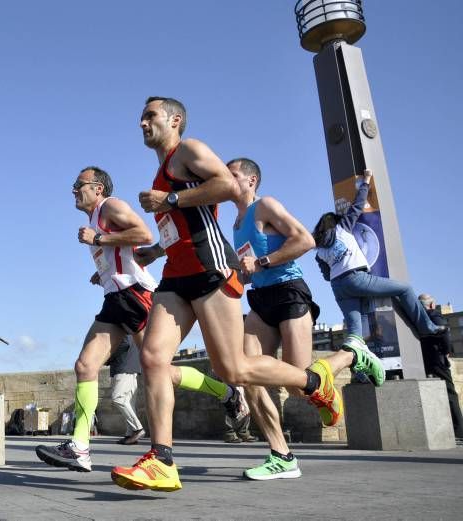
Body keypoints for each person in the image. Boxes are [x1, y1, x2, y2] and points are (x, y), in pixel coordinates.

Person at [111, 97, 343, 492]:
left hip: (210, 271)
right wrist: (156, 249)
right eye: (141, 117)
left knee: (233, 369)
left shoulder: (189, 149)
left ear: (174, 119)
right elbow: (184, 226)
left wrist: (169, 199)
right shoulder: (162, 169)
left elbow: (226, 185)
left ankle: (311, 382)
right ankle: (161, 460)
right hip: (175, 275)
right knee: (151, 357)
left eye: (150, 116)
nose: (142, 123)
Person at [36, 167, 247, 473]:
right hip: (115, 299)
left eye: (78, 185)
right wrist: (105, 271)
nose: (73, 191)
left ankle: (227, 394)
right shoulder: (94, 216)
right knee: (85, 366)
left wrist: (99, 237)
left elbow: (144, 234)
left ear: (98, 188)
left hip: (136, 296)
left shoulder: (111, 206)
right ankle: (79, 448)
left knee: (161, 371)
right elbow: (122, 250)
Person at [227, 157, 384, 480]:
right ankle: (282, 455)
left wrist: (265, 261)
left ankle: (353, 353)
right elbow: (248, 267)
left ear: (251, 180)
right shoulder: (236, 222)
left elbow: (305, 240)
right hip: (260, 300)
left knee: (298, 385)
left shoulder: (265, 206)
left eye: (232, 175)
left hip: (289, 293)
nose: (226, 181)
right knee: (246, 375)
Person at [313, 170, 445, 343]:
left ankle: (359, 371)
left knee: (355, 333)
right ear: (334, 222)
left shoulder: (319, 250)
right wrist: (366, 181)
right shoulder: (342, 227)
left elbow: (326, 276)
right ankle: (427, 327)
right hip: (356, 279)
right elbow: (357, 206)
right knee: (404, 289)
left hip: (338, 287)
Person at [418, 294, 462, 440]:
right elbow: (444, 333)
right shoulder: (434, 315)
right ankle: (459, 430)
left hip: (425, 360)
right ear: (431, 305)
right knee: (450, 394)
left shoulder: (418, 318)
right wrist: (446, 350)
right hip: (438, 360)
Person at [106, 335, 146, 445]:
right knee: (128, 403)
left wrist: (108, 358)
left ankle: (138, 429)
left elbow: (125, 343)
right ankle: (130, 435)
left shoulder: (123, 327)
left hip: (123, 368)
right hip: (132, 369)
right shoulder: (134, 330)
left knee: (118, 398)